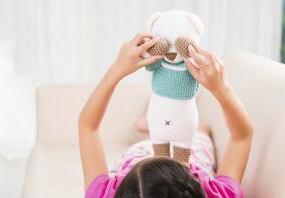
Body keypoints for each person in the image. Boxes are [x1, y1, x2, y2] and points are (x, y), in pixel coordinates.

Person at [79, 33, 253, 198]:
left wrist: (117, 69)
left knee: (150, 143)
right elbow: (242, 136)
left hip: (139, 153)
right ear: (194, 181)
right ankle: (160, 127)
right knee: (199, 136)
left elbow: (88, 127)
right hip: (193, 154)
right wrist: (221, 88)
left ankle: (152, 128)